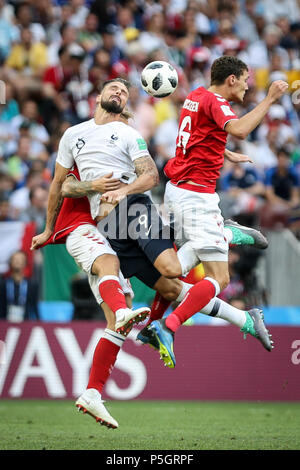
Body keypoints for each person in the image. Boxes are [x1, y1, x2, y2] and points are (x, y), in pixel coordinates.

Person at [143, 55, 288, 367]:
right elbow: (240, 129)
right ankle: (168, 326)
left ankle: (153, 323)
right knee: (218, 279)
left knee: (175, 270)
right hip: (196, 197)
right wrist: (270, 98)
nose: (249, 86)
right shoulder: (216, 100)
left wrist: (224, 152)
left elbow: (199, 136)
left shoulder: (196, 96)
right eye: (246, 80)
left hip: (178, 191)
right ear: (231, 79)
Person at [0, 250, 39, 321]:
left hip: (25, 322)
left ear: (25, 263)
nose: (17, 261)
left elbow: (34, 306)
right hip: (5, 322)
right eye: (15, 259)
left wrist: (39, 322)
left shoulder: (32, 285)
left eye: (20, 259)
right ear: (10, 263)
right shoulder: (3, 284)